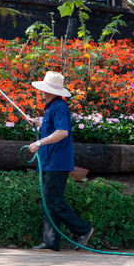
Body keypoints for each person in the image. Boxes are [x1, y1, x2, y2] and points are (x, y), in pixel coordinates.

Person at [28, 71, 94, 252]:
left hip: (57, 162)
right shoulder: (52, 107)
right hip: (50, 161)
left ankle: (83, 229)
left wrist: (38, 142)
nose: (42, 92)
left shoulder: (58, 107)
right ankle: (51, 241)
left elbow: (62, 132)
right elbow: (52, 127)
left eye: (45, 89)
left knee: (54, 201)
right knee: (49, 201)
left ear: (52, 91)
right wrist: (39, 122)